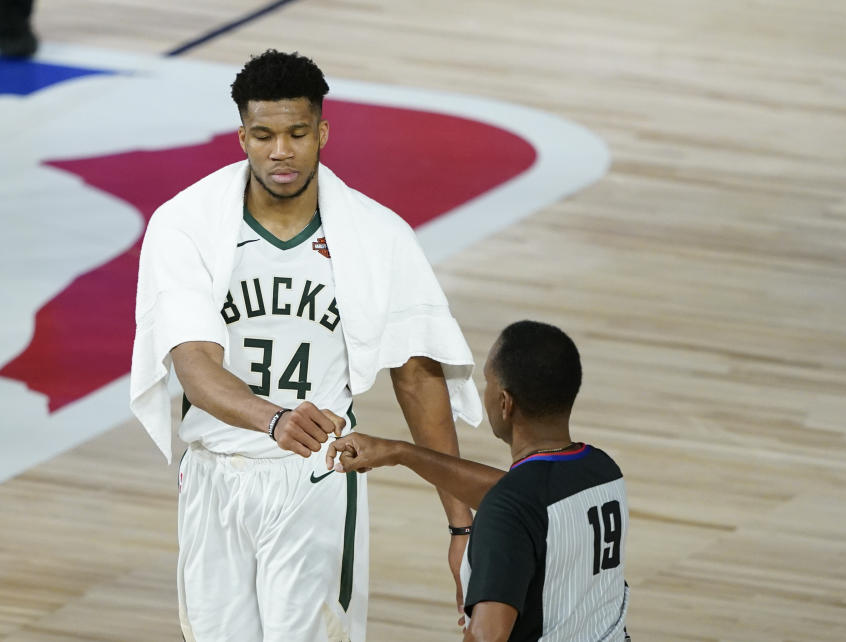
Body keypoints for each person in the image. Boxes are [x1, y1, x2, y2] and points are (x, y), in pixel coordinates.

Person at [129, 49, 481, 642]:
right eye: (264, 135)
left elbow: (416, 375)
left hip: (315, 477)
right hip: (215, 473)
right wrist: (274, 420)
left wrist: (461, 530)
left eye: (297, 133)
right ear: (242, 135)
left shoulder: (379, 235)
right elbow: (194, 365)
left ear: (322, 131)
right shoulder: (184, 223)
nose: (282, 152)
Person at [327, 320, 630, 642]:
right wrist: (402, 452)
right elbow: (526, 500)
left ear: (504, 403)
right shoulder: (602, 470)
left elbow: (488, 636)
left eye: (487, 381)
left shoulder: (509, 510)